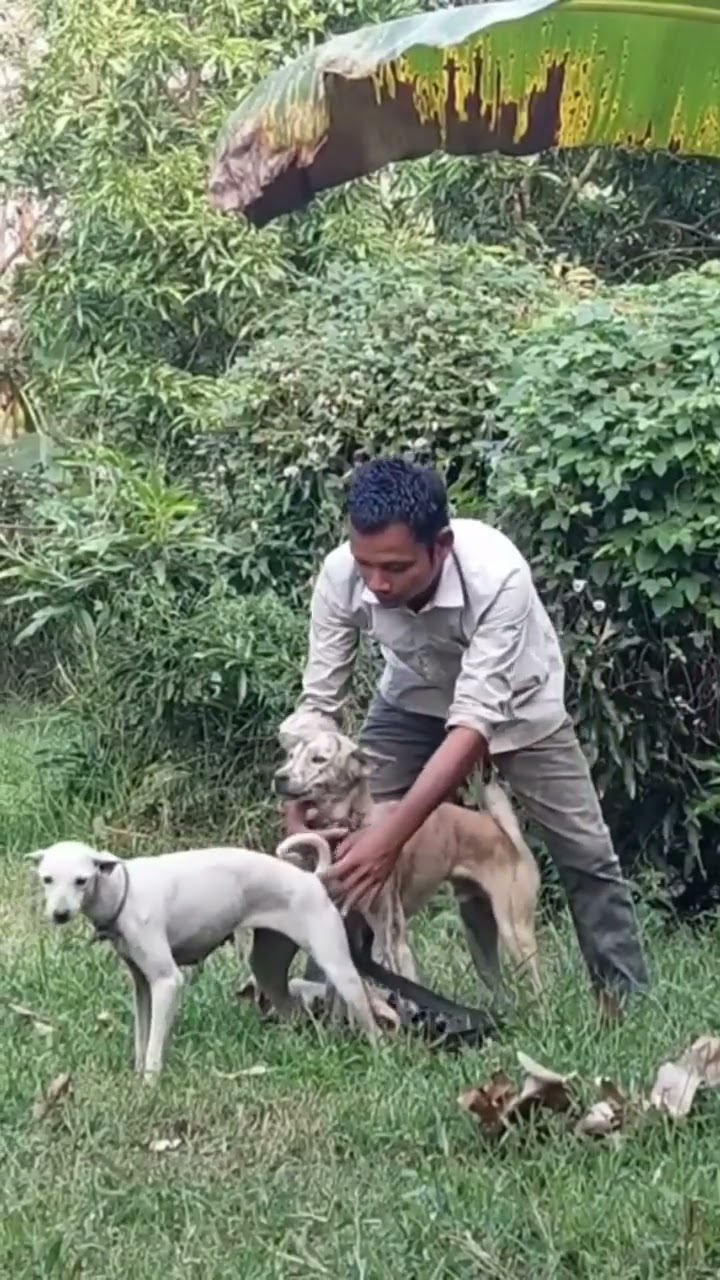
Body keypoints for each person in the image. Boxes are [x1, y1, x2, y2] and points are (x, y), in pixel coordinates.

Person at [279, 456, 648, 1003]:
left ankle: (627, 997)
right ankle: (327, 995)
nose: (377, 583)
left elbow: (474, 724)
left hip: (521, 706)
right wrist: (300, 808)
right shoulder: (341, 575)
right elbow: (318, 705)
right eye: (366, 565)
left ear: (441, 545)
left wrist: (393, 835)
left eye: (397, 569)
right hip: (412, 697)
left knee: (586, 852)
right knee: (344, 833)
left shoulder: (497, 575)